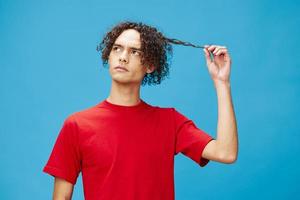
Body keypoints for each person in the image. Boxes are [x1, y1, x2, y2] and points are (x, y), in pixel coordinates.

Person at [43, 21, 238, 200]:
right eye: (117, 48)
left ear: (150, 65)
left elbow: (226, 153)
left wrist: (222, 83)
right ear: (108, 56)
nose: (123, 57)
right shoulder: (77, 125)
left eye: (135, 51)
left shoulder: (169, 121)